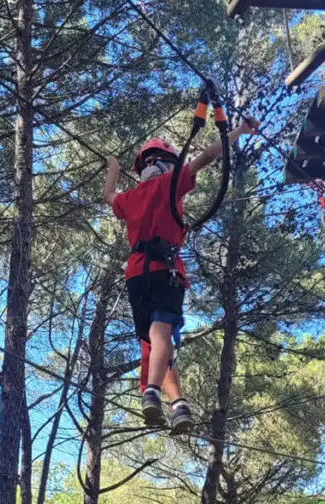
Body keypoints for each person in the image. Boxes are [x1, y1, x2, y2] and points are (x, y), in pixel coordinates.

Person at [103, 120, 256, 433]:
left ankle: (179, 404)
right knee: (161, 334)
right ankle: (152, 391)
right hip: (164, 270)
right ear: (164, 163)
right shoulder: (170, 182)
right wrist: (239, 131)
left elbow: (108, 195)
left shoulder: (129, 198)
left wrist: (113, 168)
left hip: (135, 275)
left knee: (154, 344)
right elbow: (208, 156)